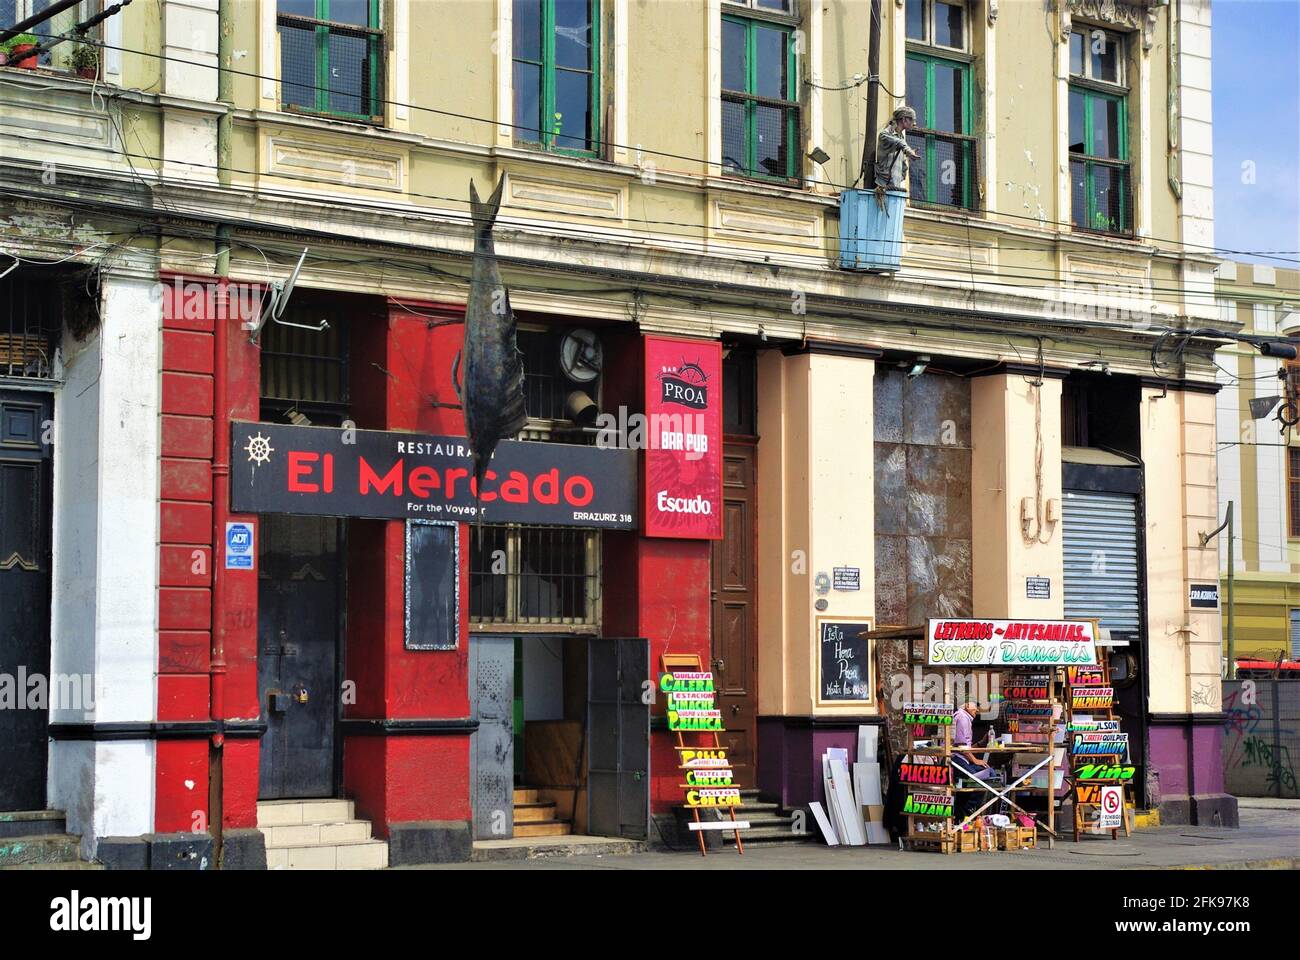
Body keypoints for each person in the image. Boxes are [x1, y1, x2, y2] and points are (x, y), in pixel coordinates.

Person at [951, 700, 996, 818]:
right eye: (974, 707)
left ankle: (961, 812)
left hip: (961, 758)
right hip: (956, 759)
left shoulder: (964, 718)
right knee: (982, 777)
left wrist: (981, 745)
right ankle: (967, 810)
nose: (977, 710)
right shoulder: (962, 718)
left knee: (988, 772)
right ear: (966, 706)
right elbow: (961, 746)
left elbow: (966, 746)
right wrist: (975, 760)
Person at [873, 105, 920, 195]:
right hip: (883, 187)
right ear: (904, 119)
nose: (914, 123)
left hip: (894, 188)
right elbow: (899, 143)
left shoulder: (901, 137)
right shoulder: (885, 134)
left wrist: (902, 174)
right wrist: (907, 150)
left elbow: (903, 164)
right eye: (912, 120)